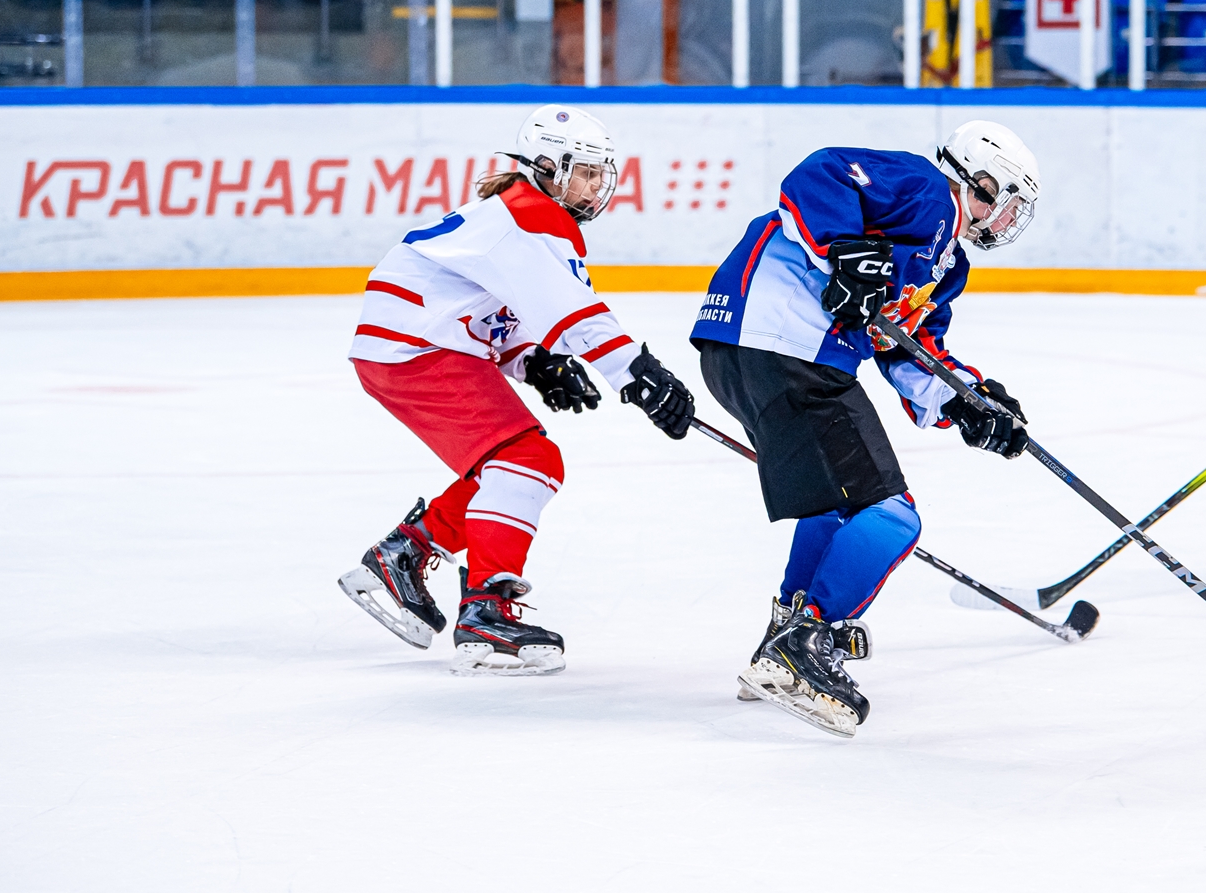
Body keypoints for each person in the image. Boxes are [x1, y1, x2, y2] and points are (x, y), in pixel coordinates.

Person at [690, 121, 1042, 737]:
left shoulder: (947, 263)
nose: (1006, 219)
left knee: (837, 506)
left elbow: (910, 348)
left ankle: (788, 631)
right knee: (892, 515)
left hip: (745, 350)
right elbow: (820, 172)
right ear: (979, 182)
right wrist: (847, 249)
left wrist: (970, 401)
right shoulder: (928, 189)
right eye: (1006, 200)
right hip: (787, 345)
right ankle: (805, 643)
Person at [338, 105, 697, 674]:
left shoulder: (516, 214)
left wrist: (536, 363)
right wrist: (642, 376)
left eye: (603, 173)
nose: (597, 185)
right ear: (549, 167)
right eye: (585, 171)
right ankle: (485, 608)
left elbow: (487, 310)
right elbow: (576, 314)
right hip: (416, 348)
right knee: (528, 459)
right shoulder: (532, 215)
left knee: (507, 466)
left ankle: (404, 554)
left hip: (413, 342)